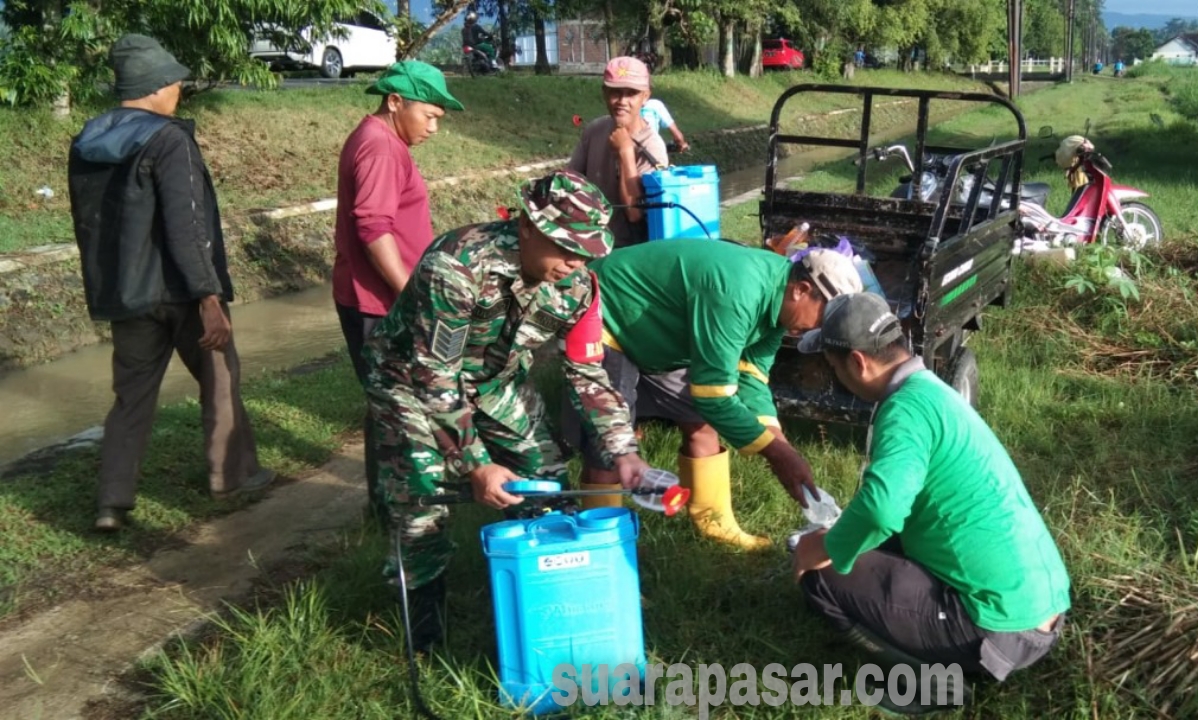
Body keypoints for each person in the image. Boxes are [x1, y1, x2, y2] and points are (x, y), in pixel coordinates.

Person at [364, 169, 651, 653]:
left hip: (494, 383)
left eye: (586, 250)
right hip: (408, 380)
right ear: (526, 226)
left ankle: (547, 596)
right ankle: (424, 633)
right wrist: (475, 463)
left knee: (547, 477)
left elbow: (586, 372)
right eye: (564, 246)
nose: (574, 261)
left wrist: (622, 450)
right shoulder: (456, 267)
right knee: (422, 495)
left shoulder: (579, 287)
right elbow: (434, 375)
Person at [790, 292, 1071, 711]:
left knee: (821, 574)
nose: (835, 376)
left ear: (858, 362)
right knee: (859, 544)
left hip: (997, 630)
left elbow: (883, 510)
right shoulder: (932, 393)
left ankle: (929, 684)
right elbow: (895, 506)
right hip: (1043, 607)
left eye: (832, 366)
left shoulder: (904, 411)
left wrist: (822, 548)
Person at [67, 34, 272, 532]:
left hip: (125, 293)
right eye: (175, 82)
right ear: (156, 86)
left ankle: (111, 502)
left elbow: (90, 226)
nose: (179, 89)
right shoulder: (169, 139)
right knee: (220, 376)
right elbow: (188, 225)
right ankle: (231, 477)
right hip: (181, 290)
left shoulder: (89, 141)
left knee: (131, 396)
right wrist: (209, 297)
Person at [567, 240, 863, 550]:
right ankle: (601, 549)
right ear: (801, 290)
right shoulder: (739, 292)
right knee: (608, 446)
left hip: (664, 336)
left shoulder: (782, 307)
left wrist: (782, 446)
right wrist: (775, 454)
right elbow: (715, 398)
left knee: (700, 423)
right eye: (820, 318)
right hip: (609, 314)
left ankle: (714, 522)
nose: (816, 329)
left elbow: (750, 378)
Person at [332, 60, 462, 525]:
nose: (433, 126)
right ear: (394, 102)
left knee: (391, 400)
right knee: (396, 404)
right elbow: (373, 228)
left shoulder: (380, 141)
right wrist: (411, 294)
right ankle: (398, 513)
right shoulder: (381, 147)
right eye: (429, 115)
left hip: (379, 297)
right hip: (378, 302)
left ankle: (391, 506)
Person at [567, 56, 669, 249]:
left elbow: (634, 213)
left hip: (628, 252)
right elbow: (570, 182)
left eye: (631, 93)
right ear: (605, 93)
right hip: (589, 242)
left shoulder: (652, 145)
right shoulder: (595, 130)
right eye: (615, 92)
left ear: (645, 96)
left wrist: (625, 152)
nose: (622, 101)